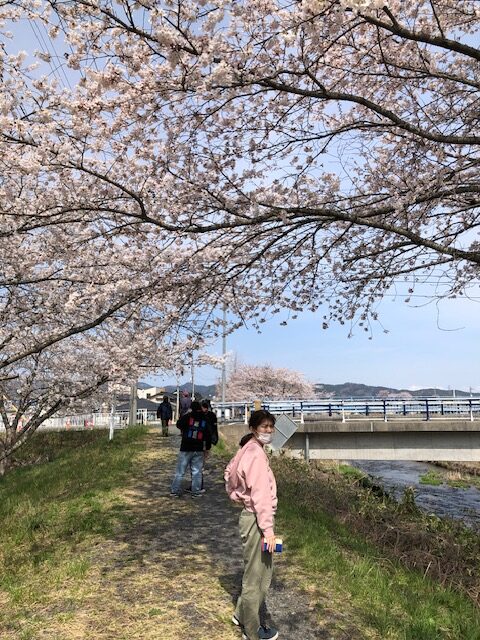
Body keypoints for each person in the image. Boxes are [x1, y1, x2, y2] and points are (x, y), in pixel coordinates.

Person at [224, 410, 279, 640]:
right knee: (257, 576)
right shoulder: (255, 453)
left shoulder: (246, 448)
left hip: (251, 517)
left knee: (255, 571)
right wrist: (268, 531)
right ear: (253, 428)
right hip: (257, 520)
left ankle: (240, 614)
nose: (268, 431)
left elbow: (229, 474)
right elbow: (261, 496)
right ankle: (252, 630)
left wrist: (237, 494)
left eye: (270, 427)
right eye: (264, 426)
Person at [170, 400, 213, 498]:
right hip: (198, 448)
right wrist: (207, 448)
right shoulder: (205, 418)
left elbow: (178, 424)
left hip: (186, 447)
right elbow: (208, 434)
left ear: (191, 408)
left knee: (180, 471)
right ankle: (196, 492)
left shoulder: (187, 417)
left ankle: (174, 491)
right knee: (197, 472)